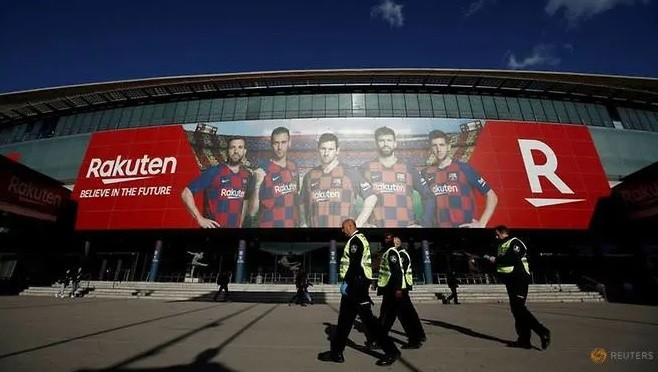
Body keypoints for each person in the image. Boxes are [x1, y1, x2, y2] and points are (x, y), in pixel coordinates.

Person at [318, 219, 400, 366]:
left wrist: (347, 282)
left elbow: (355, 264)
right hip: (356, 283)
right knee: (344, 320)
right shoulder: (356, 240)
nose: (342, 230)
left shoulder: (356, 240)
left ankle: (392, 351)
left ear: (350, 226)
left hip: (357, 284)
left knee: (369, 320)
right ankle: (337, 353)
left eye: (343, 228)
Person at [485, 225, 551, 350]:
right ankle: (524, 340)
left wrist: (496, 259)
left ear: (504, 233)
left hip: (519, 279)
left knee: (519, 308)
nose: (496, 236)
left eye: (497, 234)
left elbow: (512, 258)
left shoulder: (515, 242)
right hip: (509, 280)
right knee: (516, 310)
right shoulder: (500, 245)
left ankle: (542, 331)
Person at [421, 130, 498, 228]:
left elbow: (492, 196)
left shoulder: (463, 168)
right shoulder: (426, 173)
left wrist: (482, 223)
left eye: (442, 145)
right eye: (434, 145)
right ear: (431, 148)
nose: (438, 149)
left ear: (448, 147)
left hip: (464, 229)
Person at [300, 133, 377, 228]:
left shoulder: (349, 172)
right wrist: (304, 223)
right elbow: (302, 204)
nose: (326, 153)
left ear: (337, 150)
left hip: (343, 236)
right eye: (323, 149)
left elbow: (371, 198)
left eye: (330, 149)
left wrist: (357, 224)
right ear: (318, 150)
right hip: (318, 238)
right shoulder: (309, 176)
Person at [359, 126, 431, 228]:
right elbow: (348, 196)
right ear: (376, 144)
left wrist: (424, 223)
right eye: (381, 140)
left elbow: (428, 195)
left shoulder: (408, 168)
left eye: (389, 140)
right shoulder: (365, 168)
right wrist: (360, 222)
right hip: (376, 231)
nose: (385, 144)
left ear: (395, 143)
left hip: (405, 230)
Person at [182, 136, 253, 228]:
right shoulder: (214, 171)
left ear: (244, 151)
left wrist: (239, 225)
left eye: (240, 147)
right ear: (227, 151)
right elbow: (186, 193)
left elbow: (245, 201)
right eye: (232, 147)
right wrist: (200, 219)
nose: (236, 151)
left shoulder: (247, 175)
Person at [249, 127, 300, 227]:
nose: (279, 147)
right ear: (271, 144)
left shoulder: (293, 167)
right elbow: (252, 212)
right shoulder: (262, 170)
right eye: (276, 143)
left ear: (289, 143)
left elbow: (295, 198)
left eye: (283, 142)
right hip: (269, 230)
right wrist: (257, 185)